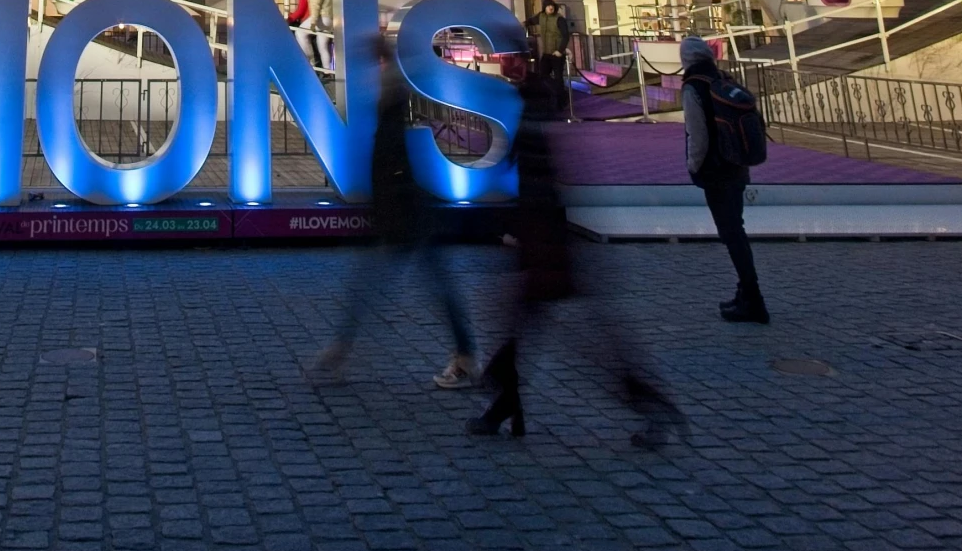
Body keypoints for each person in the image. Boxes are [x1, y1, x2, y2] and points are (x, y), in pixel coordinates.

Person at [468, 79, 685, 447]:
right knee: (571, 342)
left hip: (544, 255)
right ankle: (504, 406)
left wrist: (516, 236)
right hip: (550, 252)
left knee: (578, 346)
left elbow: (536, 195)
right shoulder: (542, 131)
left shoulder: (530, 134)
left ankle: (652, 406)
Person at [310, 33, 477, 390]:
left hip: (403, 214)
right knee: (427, 286)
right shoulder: (390, 111)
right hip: (404, 211)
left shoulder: (392, 108)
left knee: (376, 286)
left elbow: (389, 166)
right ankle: (464, 356)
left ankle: (342, 350)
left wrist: (385, 215)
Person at [680, 33, 770, 324]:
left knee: (731, 234)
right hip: (737, 167)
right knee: (736, 229)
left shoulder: (694, 86)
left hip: (715, 170)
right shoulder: (723, 80)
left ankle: (753, 299)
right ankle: (745, 293)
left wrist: (693, 167)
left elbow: (698, 134)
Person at [305, 0, 335, 74]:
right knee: (322, 44)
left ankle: (311, 62)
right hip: (329, 19)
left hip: (321, 18)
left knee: (300, 32)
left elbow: (315, 6)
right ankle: (327, 71)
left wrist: (313, 22)